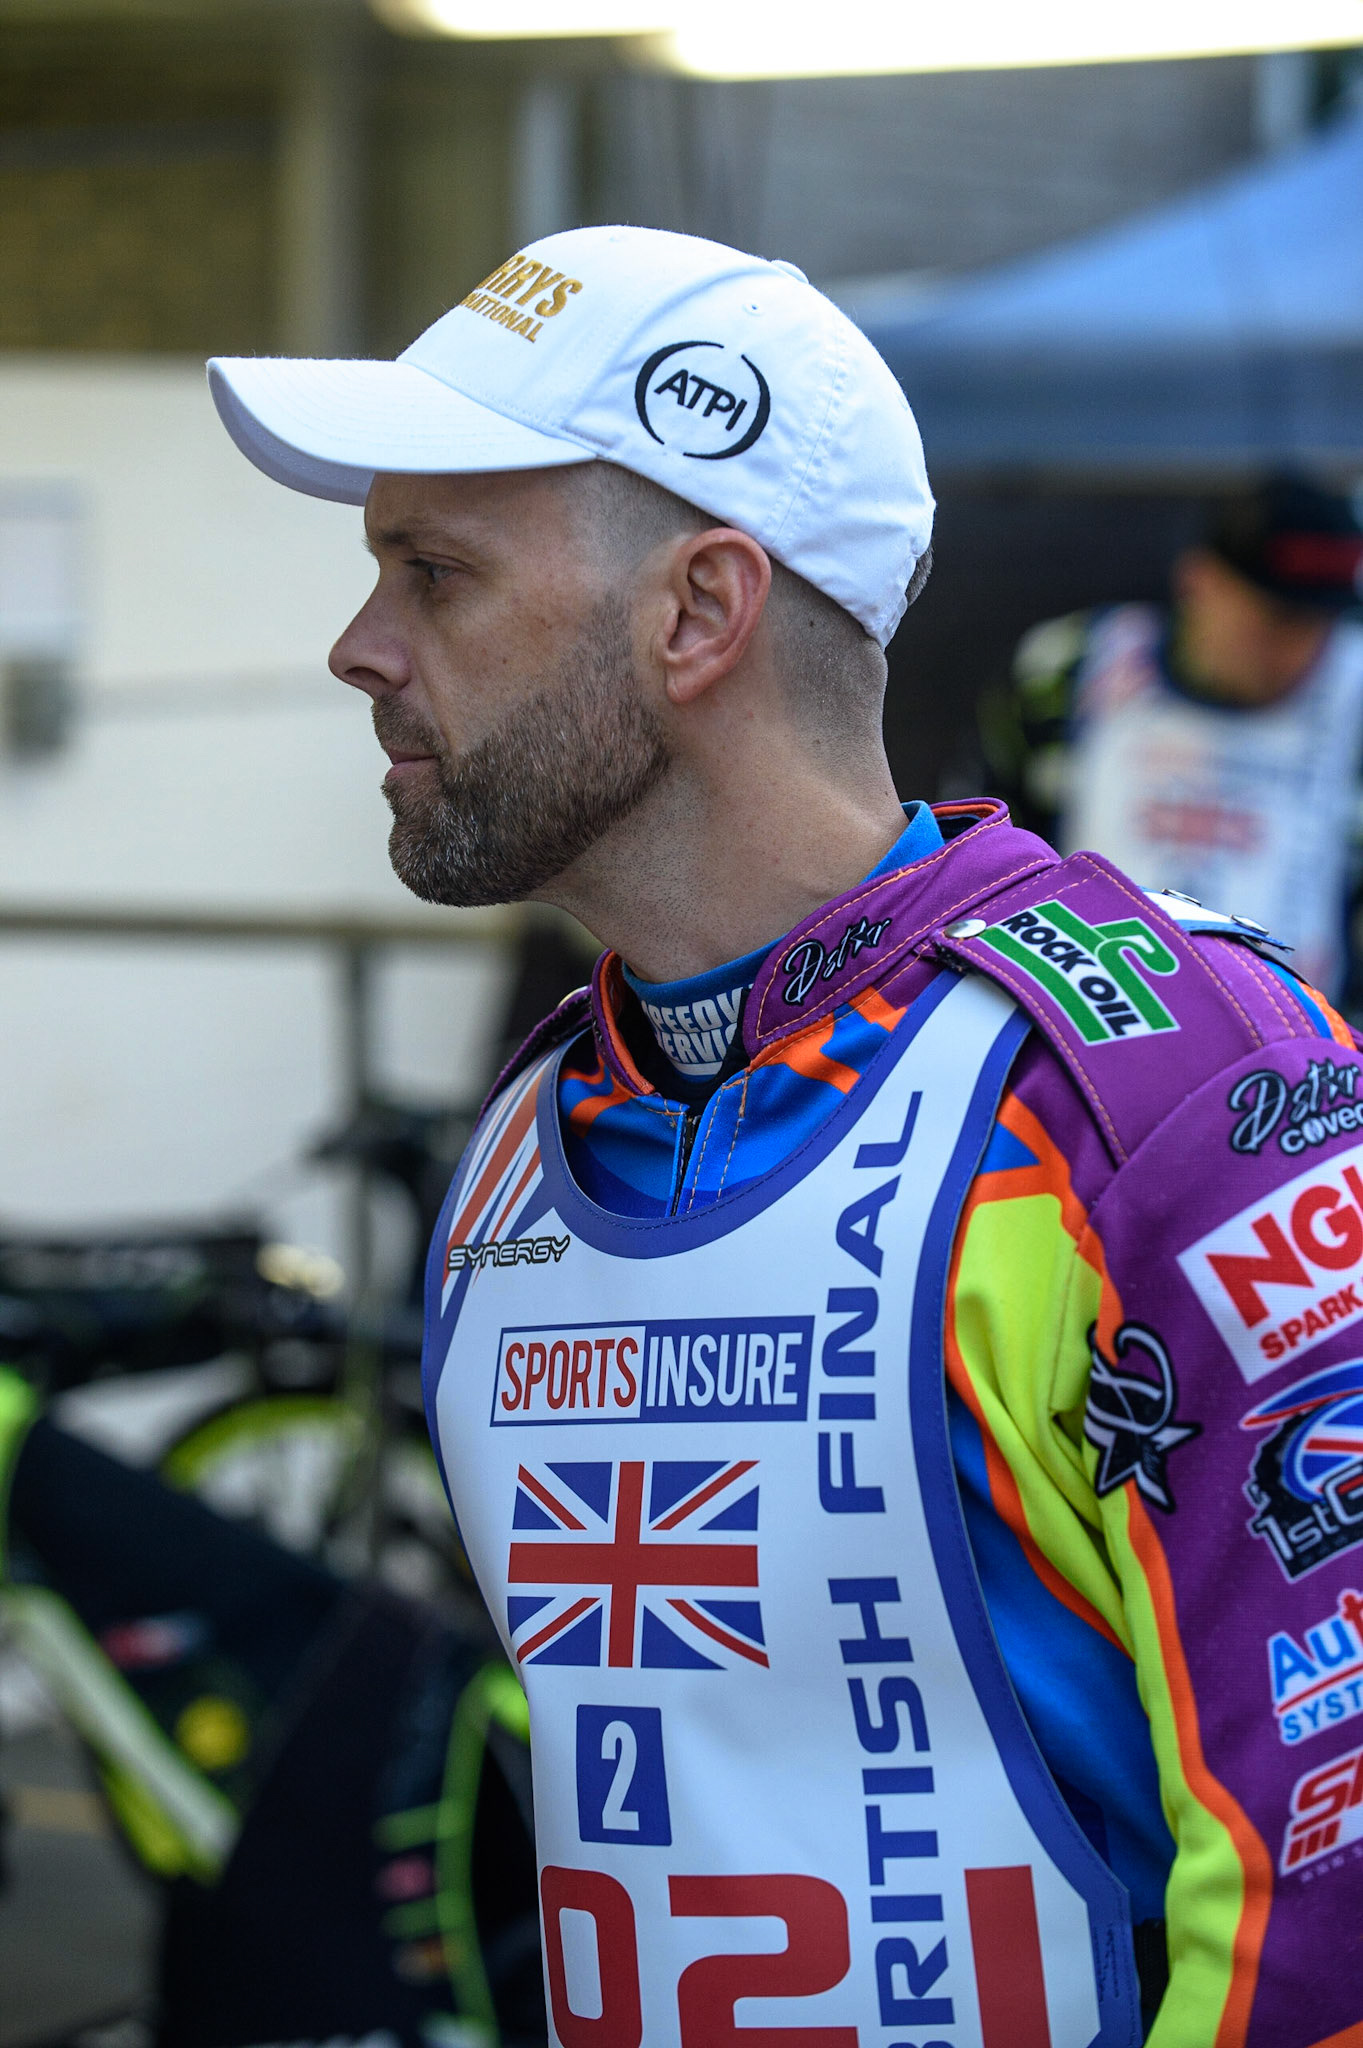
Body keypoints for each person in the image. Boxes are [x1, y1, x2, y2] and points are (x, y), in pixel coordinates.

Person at [207, 226, 1363, 2046]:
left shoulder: (1171, 1101)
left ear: (696, 613)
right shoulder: (523, 1152)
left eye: (433, 572)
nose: (359, 649)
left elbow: (1330, 1903)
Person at [982, 475, 1363, 1003]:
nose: (1300, 649)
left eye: (1320, 624)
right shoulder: (1070, 671)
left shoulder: (1352, 701)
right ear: (1199, 580)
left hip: (1302, 1036)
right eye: (1275, 618)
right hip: (1085, 1015)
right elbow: (986, 859)